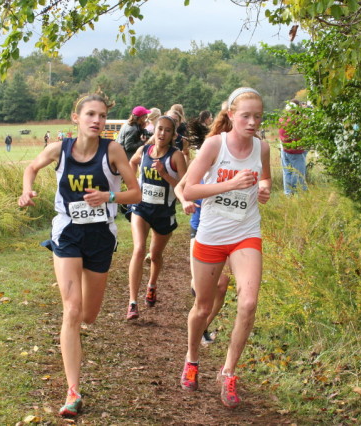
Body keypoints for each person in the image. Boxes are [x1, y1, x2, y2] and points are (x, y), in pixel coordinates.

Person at [18, 93, 141, 418]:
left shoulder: (112, 150)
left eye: (101, 115)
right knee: (71, 310)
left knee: (88, 315)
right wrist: (26, 189)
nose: (97, 120)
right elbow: (31, 166)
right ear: (76, 117)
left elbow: (136, 192)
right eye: (90, 114)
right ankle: (73, 391)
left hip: (101, 236)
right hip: (68, 231)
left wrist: (109, 195)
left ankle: (74, 379)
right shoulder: (60, 149)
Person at [180, 87, 271, 408]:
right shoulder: (214, 145)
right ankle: (192, 360)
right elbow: (189, 188)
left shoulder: (262, 148)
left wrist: (263, 188)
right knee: (203, 307)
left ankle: (228, 373)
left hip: (246, 232)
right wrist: (230, 184)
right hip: (212, 234)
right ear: (231, 115)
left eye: (257, 116)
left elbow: (266, 179)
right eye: (245, 115)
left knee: (248, 303)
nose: (252, 122)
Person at [125, 115, 187, 320]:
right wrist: (132, 185)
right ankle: (132, 302)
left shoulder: (176, 156)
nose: (162, 133)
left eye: (167, 130)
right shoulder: (144, 151)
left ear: (172, 134)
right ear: (154, 130)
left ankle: (152, 284)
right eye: (160, 129)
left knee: (155, 255)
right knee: (139, 249)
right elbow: (131, 163)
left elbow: (184, 186)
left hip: (163, 213)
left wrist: (164, 174)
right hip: (141, 208)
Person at [174, 170, 229, 345]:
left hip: (226, 232)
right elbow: (179, 187)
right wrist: (185, 201)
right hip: (200, 231)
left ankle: (202, 327)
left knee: (221, 285)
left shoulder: (230, 166)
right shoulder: (200, 166)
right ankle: (199, 324)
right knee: (199, 285)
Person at [279, 99, 307, 195]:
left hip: (284, 149)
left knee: (287, 172)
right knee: (299, 173)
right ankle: (299, 191)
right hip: (295, 151)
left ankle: (288, 192)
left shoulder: (282, 119)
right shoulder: (297, 120)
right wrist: (304, 111)